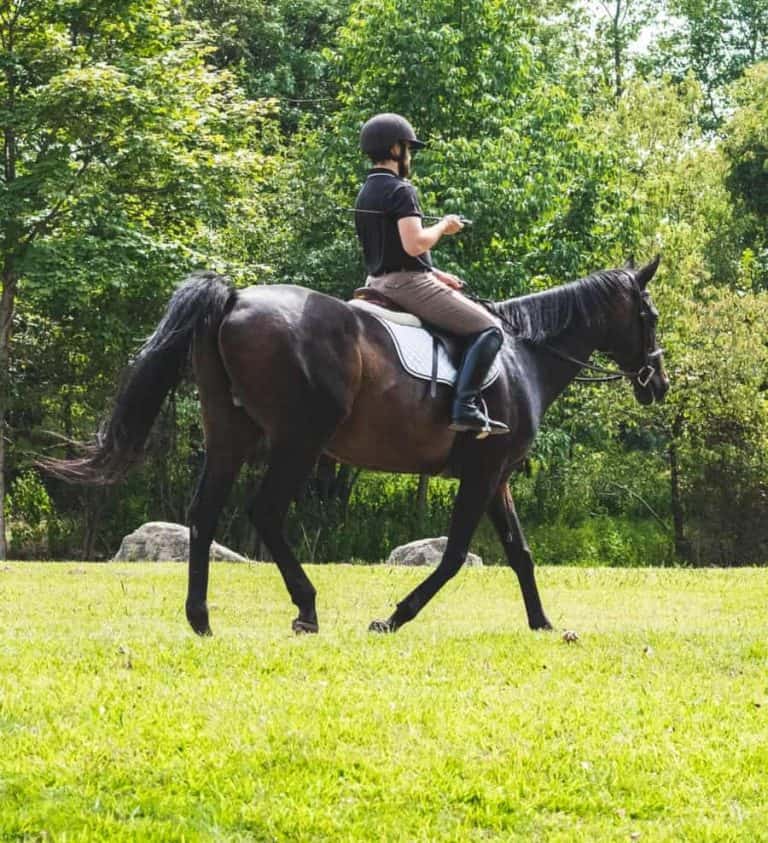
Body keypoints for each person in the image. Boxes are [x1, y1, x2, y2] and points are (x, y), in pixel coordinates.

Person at [354, 112, 509, 436]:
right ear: (396, 149)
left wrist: (435, 273)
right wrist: (444, 226)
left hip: (377, 282)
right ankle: (465, 406)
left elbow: (391, 247)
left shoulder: (366, 190)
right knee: (490, 329)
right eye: (409, 149)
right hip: (406, 285)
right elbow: (414, 244)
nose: (410, 156)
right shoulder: (401, 190)